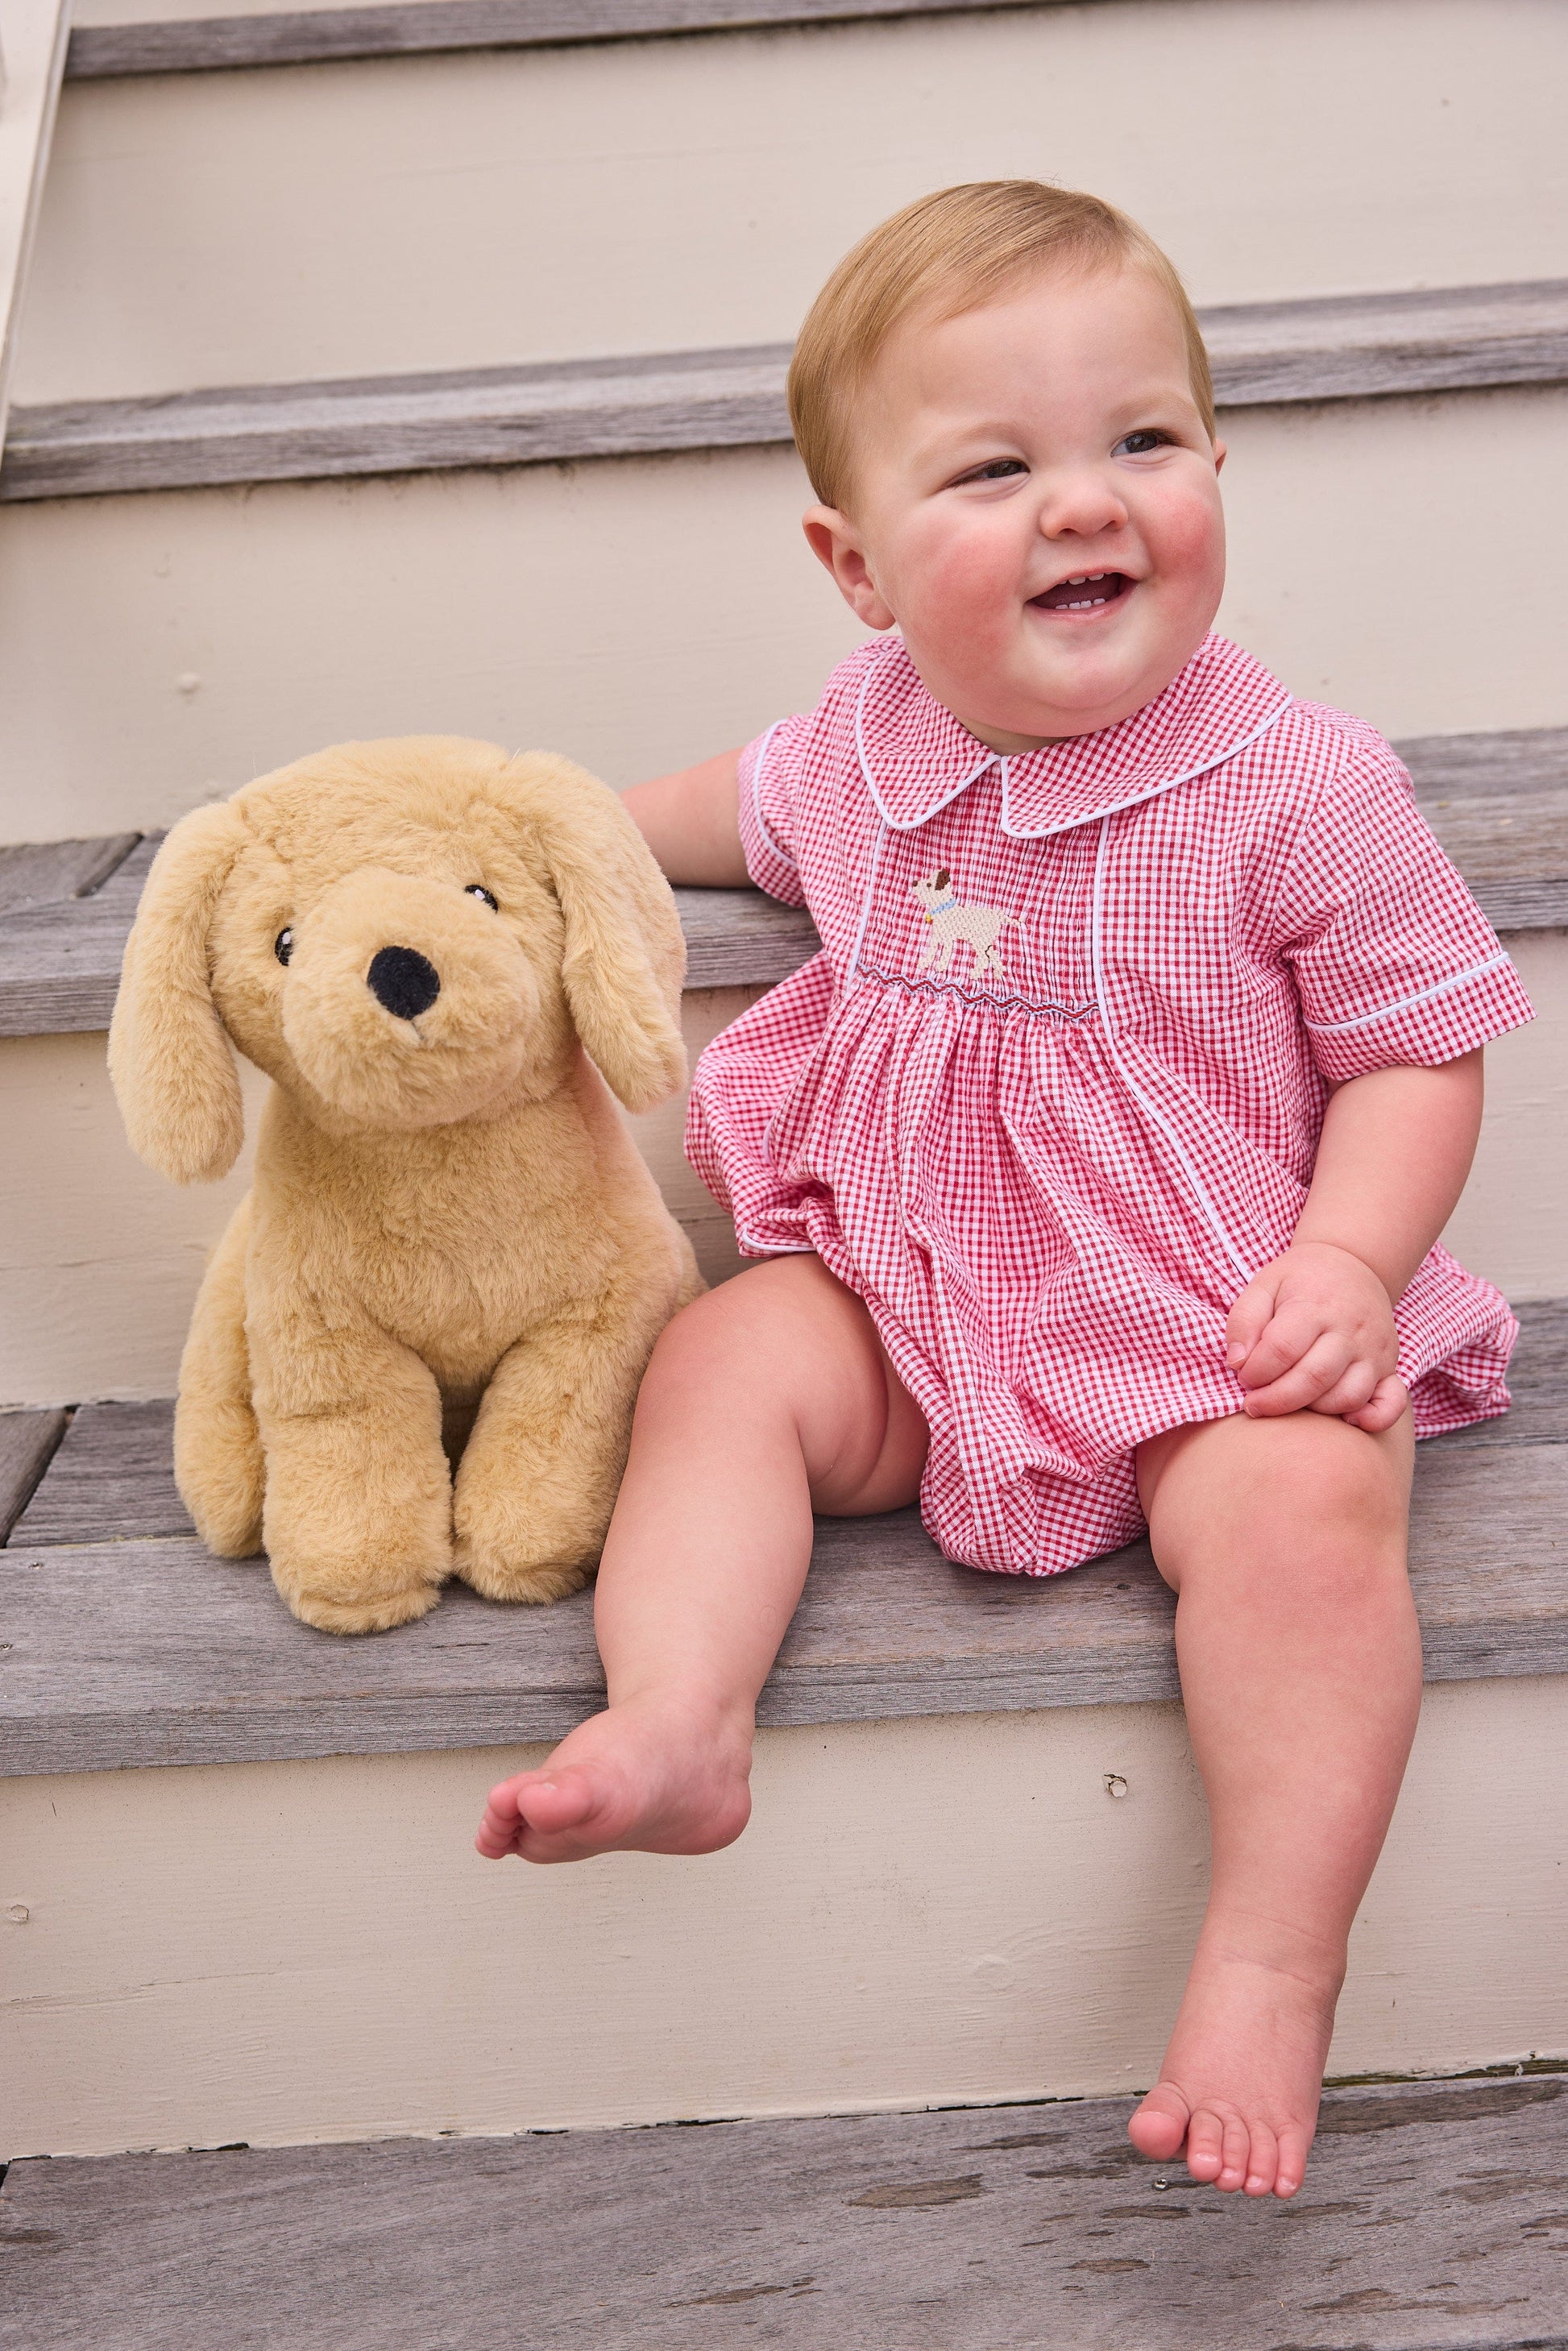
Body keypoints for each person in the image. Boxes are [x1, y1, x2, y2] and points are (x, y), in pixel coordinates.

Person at [475, 182, 1533, 2200]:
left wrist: (1348, 1258)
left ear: (1219, 468)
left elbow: (1417, 1038)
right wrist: (541, 829)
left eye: (1142, 441)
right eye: (996, 467)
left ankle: (1267, 1958)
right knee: (720, 1361)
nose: (1085, 502)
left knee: (1307, 1501)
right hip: (910, 1293)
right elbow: (706, 813)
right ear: (856, 568)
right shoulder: (861, 746)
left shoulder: (1297, 782)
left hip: (1210, 1303)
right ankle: (679, 1716)